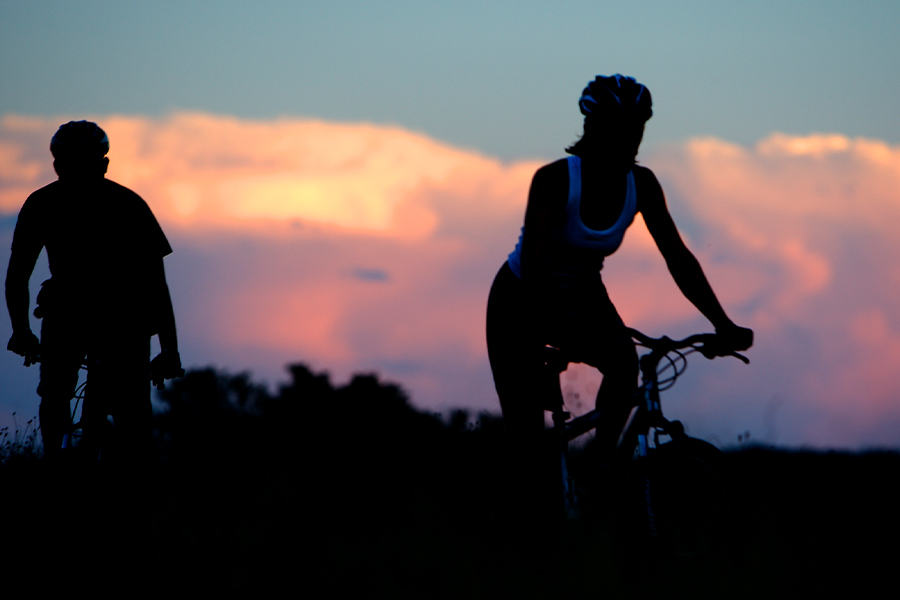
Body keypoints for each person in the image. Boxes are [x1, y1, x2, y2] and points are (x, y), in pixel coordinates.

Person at [486, 75, 753, 509]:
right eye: (619, 127)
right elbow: (534, 271)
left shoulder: (641, 184)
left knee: (624, 367)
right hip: (521, 298)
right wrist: (549, 337)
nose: (630, 139)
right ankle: (514, 523)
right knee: (526, 435)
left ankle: (599, 469)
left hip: (584, 291)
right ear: (592, 127)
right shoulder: (554, 181)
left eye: (638, 128)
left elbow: (679, 259)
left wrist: (722, 324)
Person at [5, 120, 183, 462]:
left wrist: (22, 330)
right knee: (64, 395)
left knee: (70, 397)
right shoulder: (127, 203)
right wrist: (168, 350)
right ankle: (63, 458)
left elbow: (17, 277)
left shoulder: (47, 203)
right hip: (93, 315)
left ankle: (65, 457)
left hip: (109, 318)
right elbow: (156, 286)